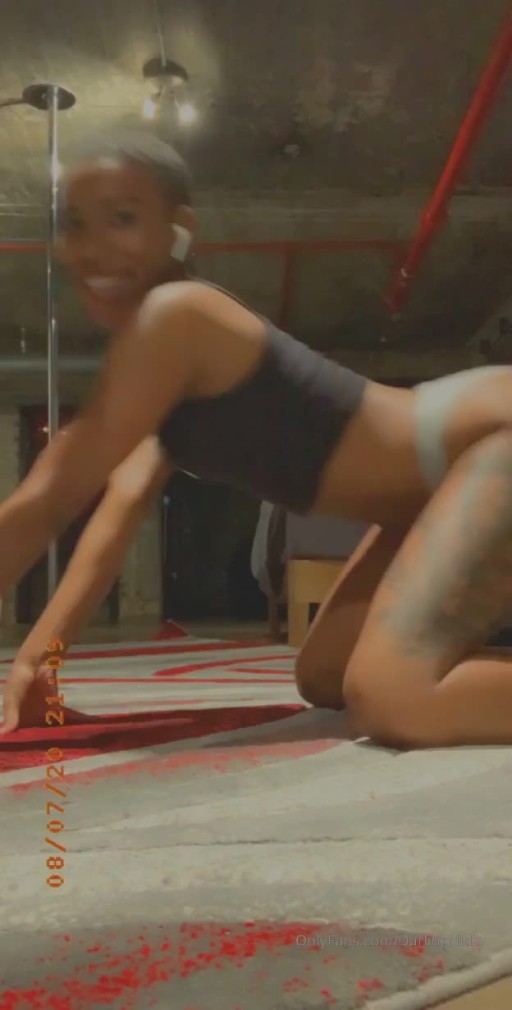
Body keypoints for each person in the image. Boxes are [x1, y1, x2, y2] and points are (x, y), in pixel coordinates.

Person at [2, 129, 512, 748]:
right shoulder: (160, 370)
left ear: (179, 228)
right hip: (425, 495)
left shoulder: (177, 315)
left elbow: (50, 495)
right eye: (76, 224)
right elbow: (114, 516)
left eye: (124, 218)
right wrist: (38, 664)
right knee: (324, 676)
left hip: (490, 439)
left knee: (394, 698)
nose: (93, 248)